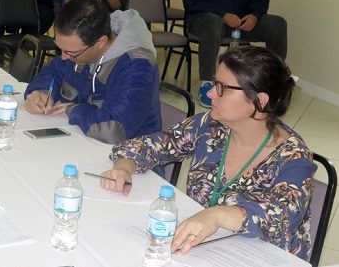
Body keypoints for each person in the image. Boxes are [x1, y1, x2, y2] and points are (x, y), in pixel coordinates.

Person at [100, 46, 314, 262]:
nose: (211, 93)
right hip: (202, 252)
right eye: (215, 83)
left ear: (260, 101)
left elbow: (282, 218)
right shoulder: (210, 126)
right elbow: (153, 145)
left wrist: (217, 215)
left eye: (223, 88)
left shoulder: (293, 156)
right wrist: (124, 167)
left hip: (260, 258)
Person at [24, 0, 161, 144]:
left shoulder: (138, 66)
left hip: (131, 157)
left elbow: (114, 129)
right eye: (60, 49)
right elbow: (53, 71)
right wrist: (41, 93)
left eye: (70, 53)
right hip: (82, 141)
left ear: (100, 42)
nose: (63, 57)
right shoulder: (79, 47)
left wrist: (73, 110)